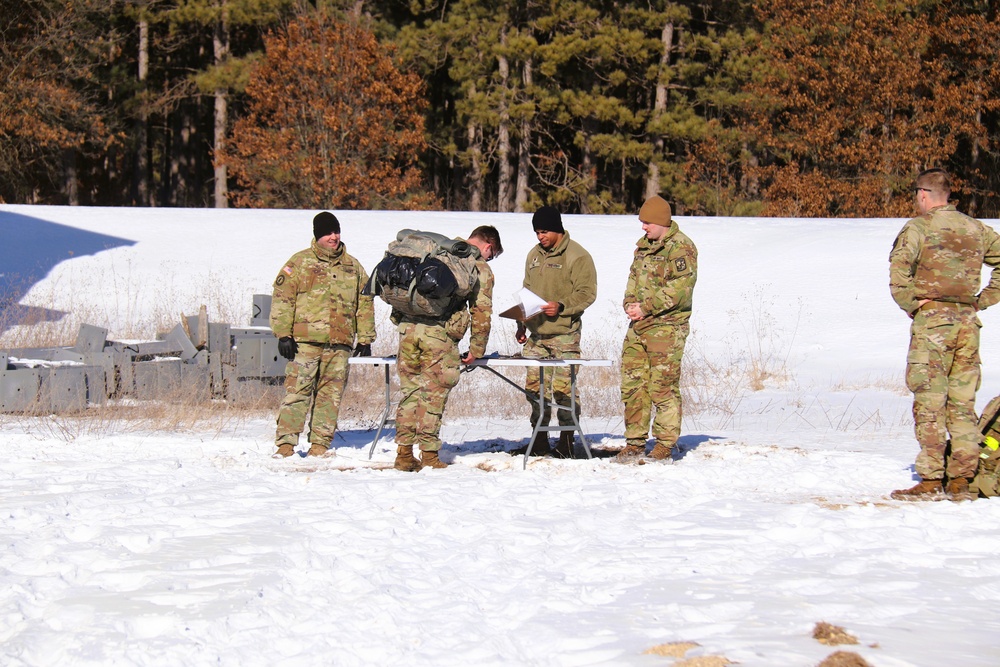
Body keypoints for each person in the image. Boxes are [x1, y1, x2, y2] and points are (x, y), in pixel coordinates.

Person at [889, 168, 1000, 501]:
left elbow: (898, 275)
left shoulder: (918, 228)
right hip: (968, 325)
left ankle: (931, 479)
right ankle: (961, 481)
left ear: (923, 194)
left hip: (933, 325)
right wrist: (981, 300)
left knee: (929, 401)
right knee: (963, 403)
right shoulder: (976, 229)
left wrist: (912, 303)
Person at [392, 225, 503, 471]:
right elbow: (481, 311)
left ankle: (403, 454)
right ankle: (430, 456)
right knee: (433, 394)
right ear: (488, 246)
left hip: (408, 330)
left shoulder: (435, 251)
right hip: (438, 337)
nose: (489, 258)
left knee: (410, 392)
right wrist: (477, 348)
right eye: (491, 254)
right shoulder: (477, 266)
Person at [270, 212, 375, 458]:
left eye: (336, 231)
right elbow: (283, 299)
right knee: (298, 392)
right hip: (304, 344)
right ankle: (285, 445)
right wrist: (283, 334)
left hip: (339, 344)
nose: (334, 237)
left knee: (330, 396)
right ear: (317, 235)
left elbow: (365, 302)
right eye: (328, 232)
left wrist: (365, 338)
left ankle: (320, 445)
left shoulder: (353, 266)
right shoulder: (299, 263)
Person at [617, 195, 697, 462]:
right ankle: (634, 443)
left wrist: (646, 306)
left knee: (662, 386)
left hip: (666, 328)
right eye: (642, 222)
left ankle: (664, 444)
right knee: (633, 385)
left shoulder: (681, 248)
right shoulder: (642, 248)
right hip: (638, 327)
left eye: (647, 222)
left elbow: (680, 290)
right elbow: (632, 279)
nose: (643, 228)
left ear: (662, 221)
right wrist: (629, 303)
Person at [515, 206, 597, 458]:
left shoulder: (578, 256)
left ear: (557, 229)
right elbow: (526, 291)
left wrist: (562, 306)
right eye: (537, 232)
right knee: (534, 389)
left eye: (544, 231)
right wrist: (520, 322)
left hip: (564, 334)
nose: (540, 237)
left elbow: (587, 293)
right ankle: (539, 438)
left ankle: (567, 441)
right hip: (536, 335)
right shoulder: (534, 255)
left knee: (563, 390)